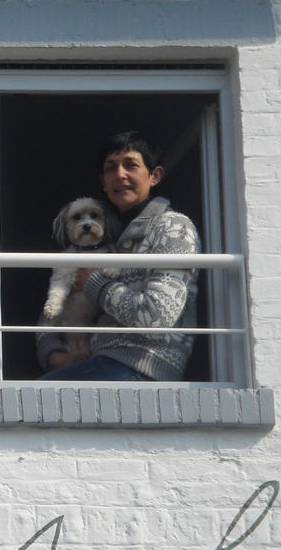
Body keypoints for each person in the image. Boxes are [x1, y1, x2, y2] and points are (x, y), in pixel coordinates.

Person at [36, 131, 200, 381]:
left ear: (154, 175)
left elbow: (156, 316)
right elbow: (56, 306)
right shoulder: (111, 238)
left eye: (131, 165)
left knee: (26, 404)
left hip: (142, 366)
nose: (120, 175)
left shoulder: (173, 228)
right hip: (102, 360)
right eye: (111, 168)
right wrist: (51, 352)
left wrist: (94, 283)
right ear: (103, 181)